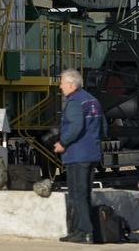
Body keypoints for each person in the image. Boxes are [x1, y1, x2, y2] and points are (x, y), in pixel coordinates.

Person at [53, 69, 105, 244]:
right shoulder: (93, 100)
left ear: (70, 84)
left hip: (77, 154)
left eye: (61, 83)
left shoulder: (74, 101)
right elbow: (104, 127)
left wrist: (63, 143)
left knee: (77, 194)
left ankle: (85, 232)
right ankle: (78, 230)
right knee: (85, 194)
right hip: (92, 153)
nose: (60, 87)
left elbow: (75, 126)